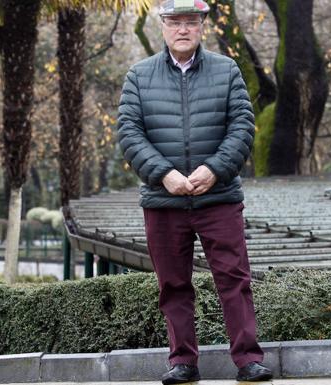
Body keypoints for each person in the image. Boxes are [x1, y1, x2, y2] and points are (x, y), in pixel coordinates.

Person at [117, 0, 272, 383]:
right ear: (163, 26)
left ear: (201, 26)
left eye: (190, 21)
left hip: (218, 199)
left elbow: (242, 127)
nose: (182, 28)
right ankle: (182, 362)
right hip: (163, 201)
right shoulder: (139, 75)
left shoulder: (227, 70)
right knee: (172, 286)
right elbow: (129, 133)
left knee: (234, 280)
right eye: (175, 22)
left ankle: (248, 360)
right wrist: (163, 174)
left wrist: (215, 170)